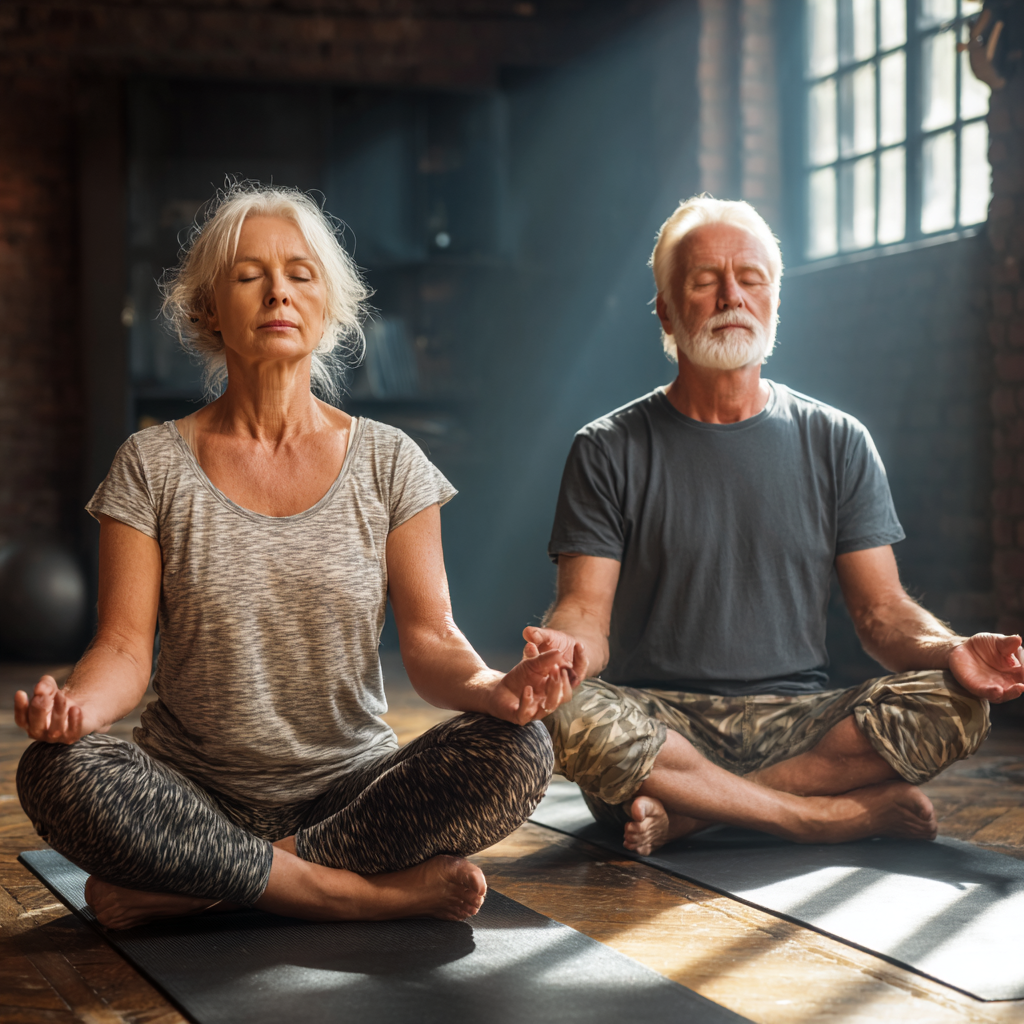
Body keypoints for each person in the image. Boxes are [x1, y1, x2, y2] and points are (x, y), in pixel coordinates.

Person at [15, 182, 582, 930]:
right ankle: (355, 894)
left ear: (328, 306)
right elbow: (122, 646)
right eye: (249, 276)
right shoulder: (150, 465)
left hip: (349, 794)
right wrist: (76, 711)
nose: (277, 291)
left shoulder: (390, 462)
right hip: (190, 799)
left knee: (520, 748)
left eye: (300, 274)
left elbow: (433, 640)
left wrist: (496, 689)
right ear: (209, 310)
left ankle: (202, 884)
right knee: (54, 770)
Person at [526, 196, 1024, 856]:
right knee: (560, 711)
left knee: (958, 701)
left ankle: (694, 815)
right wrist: (563, 655)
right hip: (659, 723)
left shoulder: (839, 440)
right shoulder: (607, 447)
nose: (731, 295)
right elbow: (586, 612)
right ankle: (819, 817)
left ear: (774, 302)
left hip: (801, 723)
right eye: (705, 280)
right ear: (666, 311)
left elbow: (881, 613)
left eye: (751, 278)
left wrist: (950, 651)